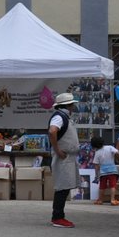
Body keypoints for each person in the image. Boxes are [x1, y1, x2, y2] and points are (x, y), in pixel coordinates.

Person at [45, 91, 79, 227]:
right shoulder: (59, 117)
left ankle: (59, 215)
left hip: (67, 157)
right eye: (72, 104)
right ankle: (58, 217)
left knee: (64, 186)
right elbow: (52, 131)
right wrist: (58, 150)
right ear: (69, 105)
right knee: (62, 187)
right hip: (63, 156)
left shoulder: (63, 116)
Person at [91, 135, 119, 206]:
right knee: (113, 185)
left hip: (103, 172)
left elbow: (96, 165)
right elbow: (117, 152)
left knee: (102, 186)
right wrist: (117, 158)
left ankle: (100, 200)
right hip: (112, 170)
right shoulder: (110, 147)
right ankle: (112, 200)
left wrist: (96, 175)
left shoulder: (97, 153)